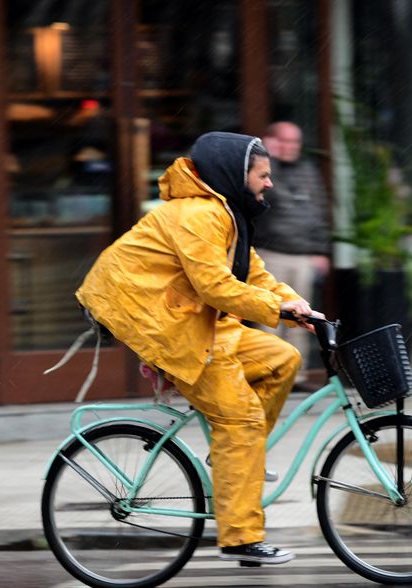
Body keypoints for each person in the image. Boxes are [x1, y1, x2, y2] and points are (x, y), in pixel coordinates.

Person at [75, 131, 318, 566]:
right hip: (166, 325)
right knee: (241, 420)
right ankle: (240, 539)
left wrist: (297, 306)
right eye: (262, 175)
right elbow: (215, 287)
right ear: (235, 175)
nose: (270, 183)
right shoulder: (198, 215)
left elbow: (254, 276)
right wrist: (276, 309)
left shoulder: (226, 211)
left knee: (283, 358)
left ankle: (234, 459)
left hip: (193, 320)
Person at [253, 122, 331, 385]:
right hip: (271, 253)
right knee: (270, 318)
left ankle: (296, 376)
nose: (290, 147)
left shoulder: (308, 171)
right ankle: (270, 375)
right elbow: (262, 203)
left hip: (302, 254)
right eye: (284, 141)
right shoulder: (264, 170)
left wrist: (320, 250)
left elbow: (319, 210)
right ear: (271, 141)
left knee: (302, 317)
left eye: (294, 142)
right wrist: (269, 157)